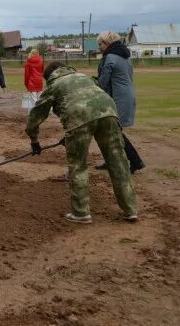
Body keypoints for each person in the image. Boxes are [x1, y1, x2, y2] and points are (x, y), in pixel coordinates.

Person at [25, 62, 137, 224]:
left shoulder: (54, 85)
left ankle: (81, 212)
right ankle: (130, 209)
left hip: (79, 119)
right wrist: (71, 132)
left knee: (78, 165)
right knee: (118, 161)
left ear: (49, 76)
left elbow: (36, 115)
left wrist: (34, 140)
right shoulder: (84, 77)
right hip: (109, 113)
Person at [95, 31, 145, 174]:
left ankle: (135, 161)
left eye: (101, 44)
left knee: (114, 130)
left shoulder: (110, 57)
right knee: (111, 130)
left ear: (108, 43)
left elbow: (103, 82)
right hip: (126, 95)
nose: (99, 47)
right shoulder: (125, 56)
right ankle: (112, 160)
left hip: (119, 98)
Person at [24, 49, 44, 114]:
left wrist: (26, 84)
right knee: (39, 98)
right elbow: (42, 72)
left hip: (31, 82)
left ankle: (34, 114)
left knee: (33, 99)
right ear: (37, 54)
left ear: (32, 54)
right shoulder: (41, 61)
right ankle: (38, 113)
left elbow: (26, 75)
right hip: (39, 81)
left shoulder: (28, 62)